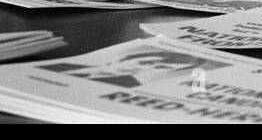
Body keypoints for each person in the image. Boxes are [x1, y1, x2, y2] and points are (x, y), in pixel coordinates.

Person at [43, 51, 210, 88]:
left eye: (159, 69)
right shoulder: (54, 61)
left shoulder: (124, 85)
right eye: (148, 63)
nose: (146, 69)